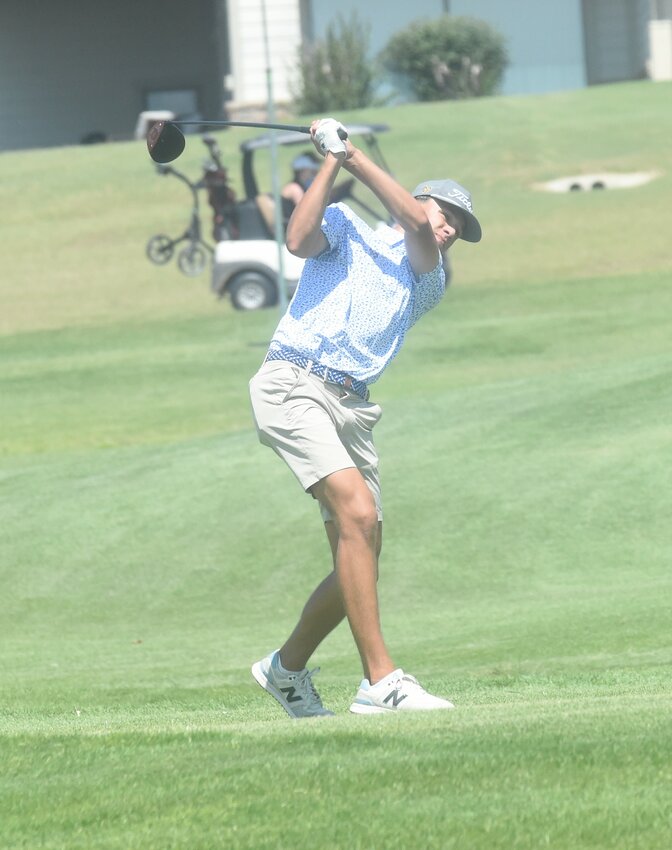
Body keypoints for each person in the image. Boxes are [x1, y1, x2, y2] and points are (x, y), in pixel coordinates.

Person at [249, 117, 482, 718]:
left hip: (352, 408)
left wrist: (350, 154)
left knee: (360, 557)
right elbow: (297, 241)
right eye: (446, 212)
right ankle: (381, 683)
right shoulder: (347, 227)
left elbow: (411, 221)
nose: (451, 227)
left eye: (460, 225)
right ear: (420, 199)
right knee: (357, 514)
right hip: (293, 382)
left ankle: (285, 670)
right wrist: (329, 160)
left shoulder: (427, 274)